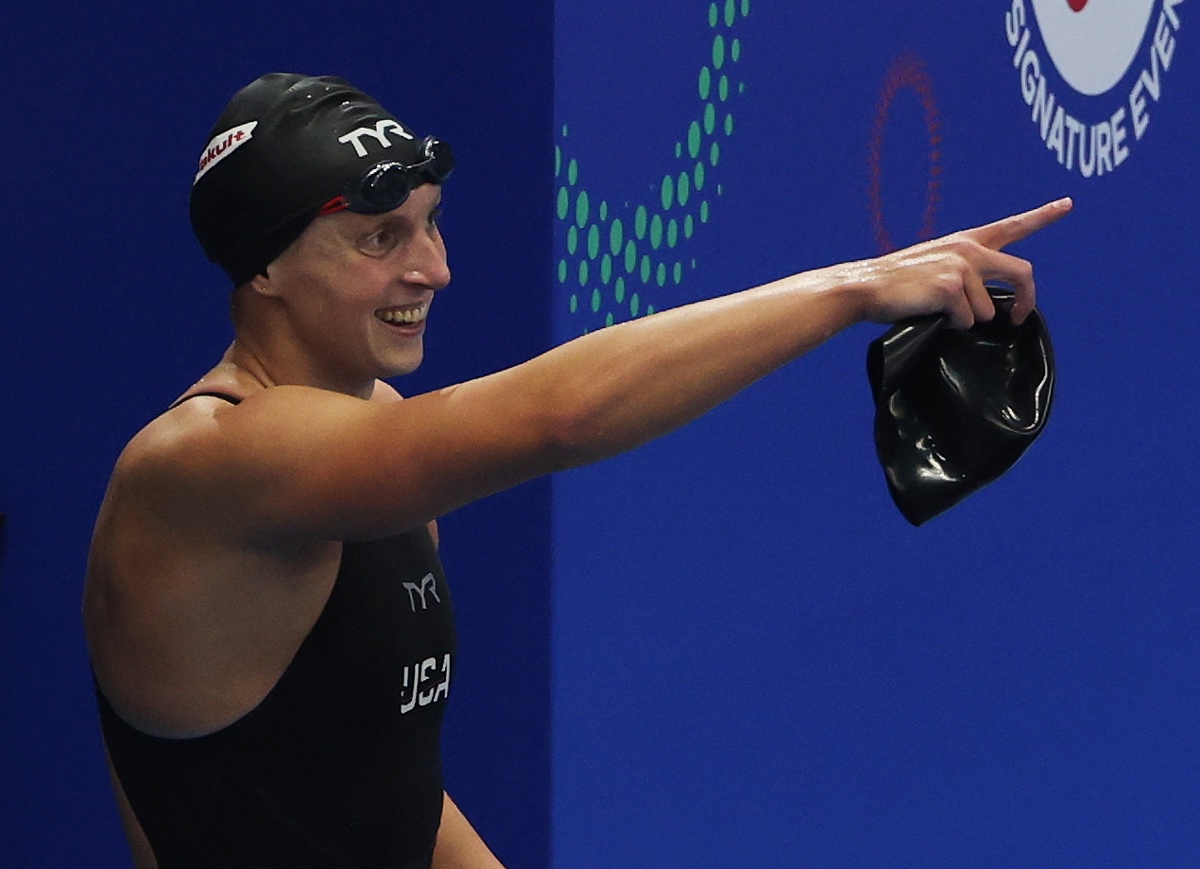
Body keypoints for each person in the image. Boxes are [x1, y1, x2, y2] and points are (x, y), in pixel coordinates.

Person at [82, 72, 1071, 868]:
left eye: (430, 222)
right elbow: (560, 412)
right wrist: (851, 288)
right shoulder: (201, 471)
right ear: (264, 267)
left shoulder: (369, 429)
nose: (433, 269)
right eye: (382, 237)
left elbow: (370, 784)